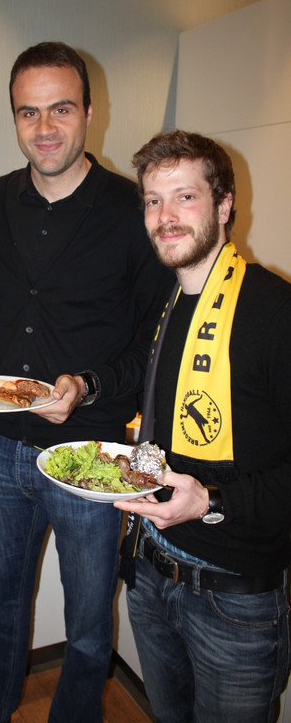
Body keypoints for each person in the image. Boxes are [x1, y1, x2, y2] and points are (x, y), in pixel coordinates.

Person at [0, 41, 173, 723]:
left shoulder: (133, 211)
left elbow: (154, 344)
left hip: (91, 456)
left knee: (89, 626)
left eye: (61, 109)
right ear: (14, 118)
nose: (45, 128)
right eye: (29, 112)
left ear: (90, 113)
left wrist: (87, 387)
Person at [116, 130, 291, 723]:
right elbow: (159, 430)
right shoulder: (167, 307)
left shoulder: (275, 312)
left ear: (224, 205)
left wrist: (212, 500)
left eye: (184, 197)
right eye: (153, 200)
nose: (165, 216)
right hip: (151, 572)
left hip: (232, 602)